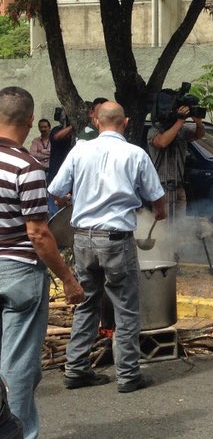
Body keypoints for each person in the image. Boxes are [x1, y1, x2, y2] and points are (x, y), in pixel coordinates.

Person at [49, 101, 167, 394]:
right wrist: (160, 213)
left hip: (83, 238)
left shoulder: (79, 150)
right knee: (126, 308)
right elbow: (157, 198)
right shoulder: (135, 153)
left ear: (97, 122)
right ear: (125, 122)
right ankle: (128, 376)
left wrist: (73, 199)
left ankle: (76, 369)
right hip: (116, 240)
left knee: (87, 303)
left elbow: (55, 191)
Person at [0, 86, 84, 439]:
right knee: (18, 365)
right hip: (18, 272)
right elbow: (38, 234)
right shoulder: (27, 167)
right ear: (32, 121)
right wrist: (66, 277)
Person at [147, 103, 204, 226]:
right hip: (162, 186)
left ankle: (176, 244)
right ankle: (164, 245)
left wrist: (198, 122)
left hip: (178, 184)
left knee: (178, 225)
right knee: (163, 225)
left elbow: (199, 135)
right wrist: (180, 121)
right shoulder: (154, 130)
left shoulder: (181, 130)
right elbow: (162, 142)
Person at [47, 108, 74, 216]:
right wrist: (72, 126)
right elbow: (57, 137)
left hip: (70, 176)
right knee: (54, 211)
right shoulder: (56, 130)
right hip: (56, 174)